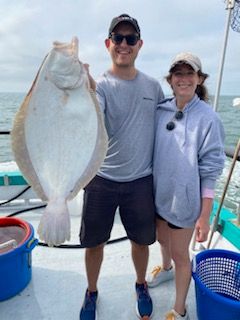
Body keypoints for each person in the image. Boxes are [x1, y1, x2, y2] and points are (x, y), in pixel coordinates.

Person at [79, 14, 164, 320]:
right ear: (108, 44)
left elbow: (172, 125)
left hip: (141, 180)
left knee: (141, 241)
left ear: (139, 44)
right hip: (101, 178)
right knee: (94, 242)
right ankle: (91, 291)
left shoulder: (154, 87)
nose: (124, 44)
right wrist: (84, 88)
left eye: (130, 39)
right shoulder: (100, 85)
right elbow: (93, 117)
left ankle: (141, 284)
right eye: (118, 38)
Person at [149, 52, 225, 320]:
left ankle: (180, 308)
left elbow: (210, 171)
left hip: (185, 202)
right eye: (177, 73)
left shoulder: (209, 119)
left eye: (189, 73)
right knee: (162, 240)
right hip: (158, 196)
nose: (183, 79)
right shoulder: (160, 110)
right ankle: (165, 268)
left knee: (182, 254)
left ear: (199, 79)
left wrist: (204, 216)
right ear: (170, 80)